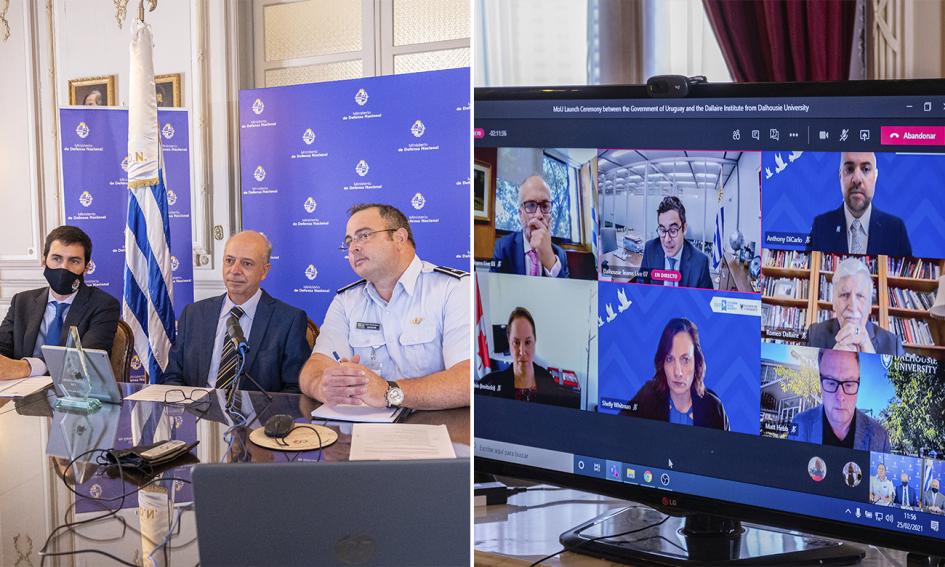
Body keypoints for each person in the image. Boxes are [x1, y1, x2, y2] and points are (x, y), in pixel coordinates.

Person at [300, 204, 470, 410]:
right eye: (349, 241)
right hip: (363, 431)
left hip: (436, 429)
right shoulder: (346, 300)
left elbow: (466, 379)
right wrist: (323, 386)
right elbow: (314, 367)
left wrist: (390, 392)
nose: (353, 248)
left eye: (364, 236)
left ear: (399, 238)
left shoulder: (452, 289)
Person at [160, 231, 308, 392]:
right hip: (199, 413)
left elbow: (295, 389)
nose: (235, 270)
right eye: (229, 261)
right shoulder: (193, 314)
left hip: (259, 415)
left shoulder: (288, 321)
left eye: (247, 264)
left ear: (264, 271)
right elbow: (172, 377)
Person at [0, 226, 119, 380]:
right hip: (20, 395)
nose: (64, 267)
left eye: (74, 261)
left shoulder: (104, 305)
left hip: (73, 396)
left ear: (86, 267)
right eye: (56, 259)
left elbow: (85, 363)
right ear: (43, 261)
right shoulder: (22, 301)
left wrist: (29, 367)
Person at [619, 318, 729, 430]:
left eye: (685, 359)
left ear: (696, 362)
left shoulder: (714, 409)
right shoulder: (647, 397)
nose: (678, 372)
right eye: (669, 359)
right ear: (662, 363)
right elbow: (618, 432)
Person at [808, 152, 911, 257]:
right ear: (840, 176)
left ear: (875, 177)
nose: (857, 179)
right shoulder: (820, 226)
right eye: (849, 169)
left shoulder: (895, 229)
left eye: (866, 169)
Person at [477, 307, 579, 409]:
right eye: (516, 343)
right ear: (509, 342)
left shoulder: (547, 379)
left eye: (528, 342)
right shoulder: (492, 385)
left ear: (535, 341)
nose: (522, 351)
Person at [790, 349, 890, 451]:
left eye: (849, 384)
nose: (840, 396)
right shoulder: (799, 423)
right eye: (831, 383)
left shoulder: (880, 438)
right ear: (820, 384)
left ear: (858, 385)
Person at [806, 257, 904, 355]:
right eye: (844, 295)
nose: (852, 306)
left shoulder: (892, 345)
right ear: (834, 303)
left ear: (870, 306)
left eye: (860, 296)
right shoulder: (814, 335)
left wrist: (872, 359)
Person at [490, 176, 569, 278]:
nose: (539, 215)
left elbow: (565, 293)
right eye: (531, 205)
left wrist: (550, 261)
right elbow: (493, 290)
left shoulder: (560, 255)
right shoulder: (503, 248)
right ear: (520, 214)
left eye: (545, 206)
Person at [637, 196, 712, 289]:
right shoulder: (650, 249)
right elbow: (641, 287)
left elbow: (705, 301)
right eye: (663, 230)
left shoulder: (700, 262)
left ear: (684, 229)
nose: (667, 239)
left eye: (673, 230)